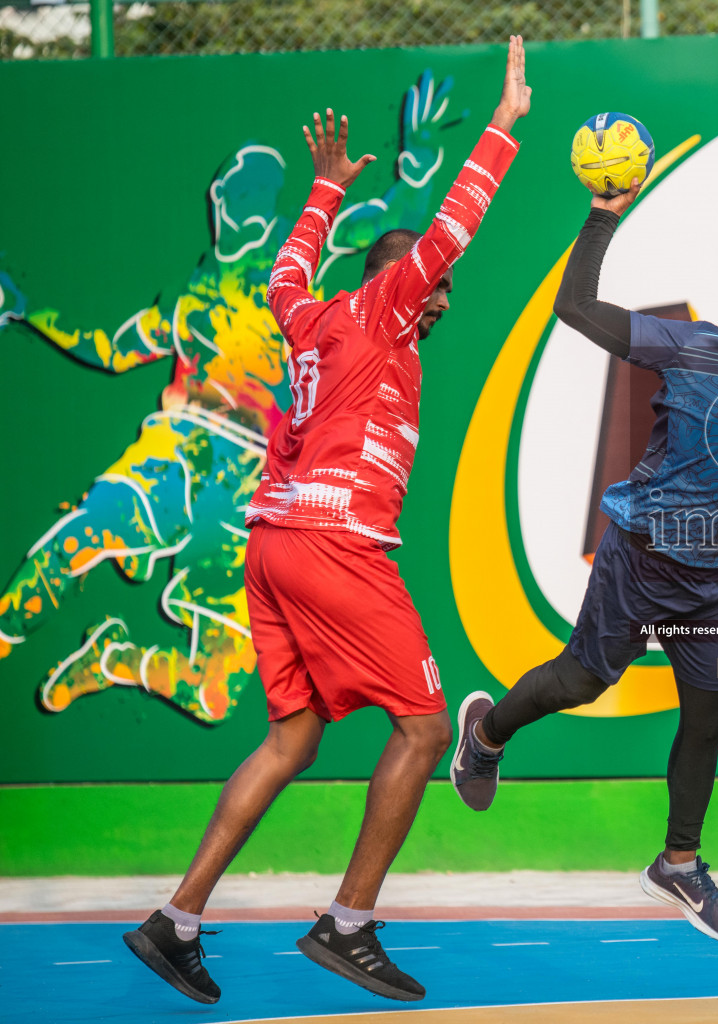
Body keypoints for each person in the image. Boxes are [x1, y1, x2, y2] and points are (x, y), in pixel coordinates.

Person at [120, 36, 532, 1006]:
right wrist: (502, 128)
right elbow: (449, 232)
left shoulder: (312, 320)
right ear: (405, 283)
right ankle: (348, 923)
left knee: (291, 740)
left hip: (274, 546)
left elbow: (282, 279)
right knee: (427, 729)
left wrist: (325, 189)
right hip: (334, 543)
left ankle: (173, 919)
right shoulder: (386, 307)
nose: (440, 300)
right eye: (434, 288)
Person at [0, 69, 464, 724]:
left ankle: (112, 661)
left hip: (250, 486)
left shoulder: (297, 276)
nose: (235, 202)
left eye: (253, 193)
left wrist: (413, 166)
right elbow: (105, 347)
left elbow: (391, 237)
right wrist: (29, 313)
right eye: (230, 191)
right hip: (180, 450)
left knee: (215, 694)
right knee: (76, 539)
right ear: (217, 202)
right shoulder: (194, 299)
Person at [449, 181, 718, 944]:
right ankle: (487, 734)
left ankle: (679, 864)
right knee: (581, 681)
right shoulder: (690, 344)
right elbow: (576, 310)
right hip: (643, 557)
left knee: (709, 716)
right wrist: (601, 219)